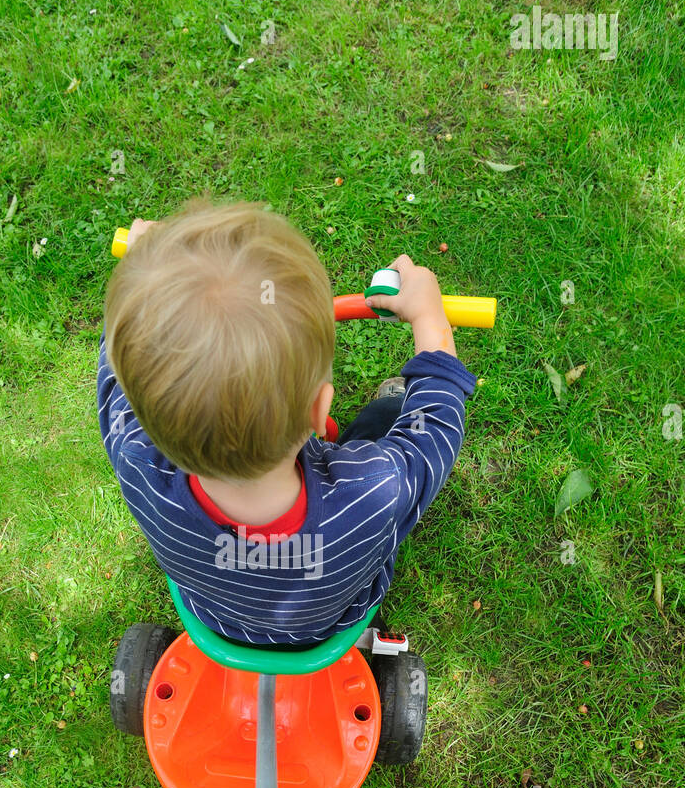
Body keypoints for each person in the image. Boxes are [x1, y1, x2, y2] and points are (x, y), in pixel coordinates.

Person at [98, 198, 476, 647]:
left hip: (217, 616)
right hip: (331, 623)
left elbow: (117, 369)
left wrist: (145, 279)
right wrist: (430, 318)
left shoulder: (135, 459)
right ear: (321, 410)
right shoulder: (373, 491)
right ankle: (388, 404)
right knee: (390, 416)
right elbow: (435, 425)